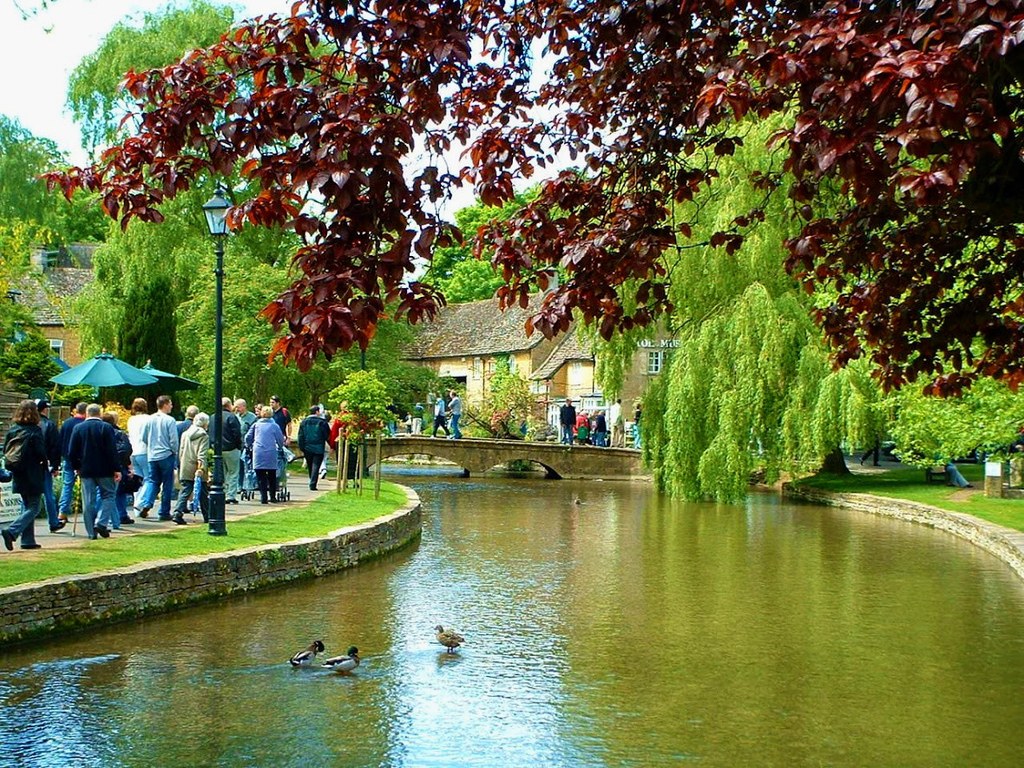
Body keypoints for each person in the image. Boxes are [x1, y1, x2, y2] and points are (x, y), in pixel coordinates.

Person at [68, 403, 122, 540]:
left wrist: (76, 467)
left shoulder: (78, 428)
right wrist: (117, 468)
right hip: (105, 469)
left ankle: (91, 533)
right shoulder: (106, 427)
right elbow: (112, 451)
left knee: (88, 502)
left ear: (87, 413)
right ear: (100, 413)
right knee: (108, 496)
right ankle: (101, 522)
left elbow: (72, 451)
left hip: (86, 470)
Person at [2, 400, 48, 551]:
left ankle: (28, 540)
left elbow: (6, 452)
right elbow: (41, 453)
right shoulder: (35, 431)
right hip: (33, 472)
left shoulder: (13, 430)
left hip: (18, 472)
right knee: (34, 506)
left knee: (27, 505)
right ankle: (12, 531)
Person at [136, 395, 177, 520]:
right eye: (170, 404)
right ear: (164, 404)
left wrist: (151, 446)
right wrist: (173, 451)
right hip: (166, 454)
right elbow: (174, 440)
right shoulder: (170, 420)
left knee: (154, 481)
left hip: (152, 455)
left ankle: (147, 504)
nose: (171, 406)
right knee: (167, 484)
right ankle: (164, 511)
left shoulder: (149, 419)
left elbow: (143, 436)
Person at [173, 412, 210, 524]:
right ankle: (207, 515)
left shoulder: (185, 433)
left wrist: (180, 463)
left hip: (185, 464)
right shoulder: (203, 435)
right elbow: (202, 453)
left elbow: (181, 450)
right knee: (203, 491)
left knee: (185, 490)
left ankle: (178, 512)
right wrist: (201, 467)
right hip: (196, 466)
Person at [100, 411, 135, 529]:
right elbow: (127, 450)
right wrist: (127, 465)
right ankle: (120, 516)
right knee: (118, 493)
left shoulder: (100, 433)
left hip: (103, 466)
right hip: (119, 466)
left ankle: (112, 520)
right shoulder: (120, 433)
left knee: (105, 494)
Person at [245, 406, 286, 504]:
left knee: (260, 475)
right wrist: (280, 447)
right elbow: (280, 438)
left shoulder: (256, 425)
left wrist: (249, 445)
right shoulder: (274, 426)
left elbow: (248, 437)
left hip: (258, 451)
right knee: (272, 475)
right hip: (271, 451)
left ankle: (263, 497)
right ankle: (272, 496)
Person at [57, 401, 87, 527]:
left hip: (68, 458)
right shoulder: (84, 425)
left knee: (67, 485)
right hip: (83, 459)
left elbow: (61, 440)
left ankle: (62, 511)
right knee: (87, 487)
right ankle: (89, 512)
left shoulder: (67, 423)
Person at [36, 399, 63, 532]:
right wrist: (55, 465)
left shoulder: (25, 424)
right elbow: (55, 447)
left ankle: (25, 522)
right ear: (44, 409)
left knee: (29, 495)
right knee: (48, 494)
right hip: (45, 464)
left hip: (29, 466)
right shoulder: (49, 425)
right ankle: (53, 521)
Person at [297, 405, 331, 490]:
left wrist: (301, 447)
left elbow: (300, 435)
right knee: (316, 465)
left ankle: (311, 479)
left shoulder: (304, 422)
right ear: (317, 412)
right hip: (319, 446)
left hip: (307, 446)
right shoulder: (322, 422)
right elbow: (327, 434)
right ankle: (313, 483)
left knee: (310, 464)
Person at [126, 398, 151, 502]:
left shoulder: (131, 419)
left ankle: (137, 504)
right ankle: (141, 501)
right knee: (149, 478)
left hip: (132, 452)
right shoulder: (148, 419)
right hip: (144, 451)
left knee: (137, 479)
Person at [219, 398, 243, 504]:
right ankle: (230, 495)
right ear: (229, 405)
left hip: (218, 449)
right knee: (233, 472)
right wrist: (238, 446)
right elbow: (237, 433)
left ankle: (222, 492)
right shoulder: (232, 417)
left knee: (222, 473)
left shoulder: (214, 417)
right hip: (231, 448)